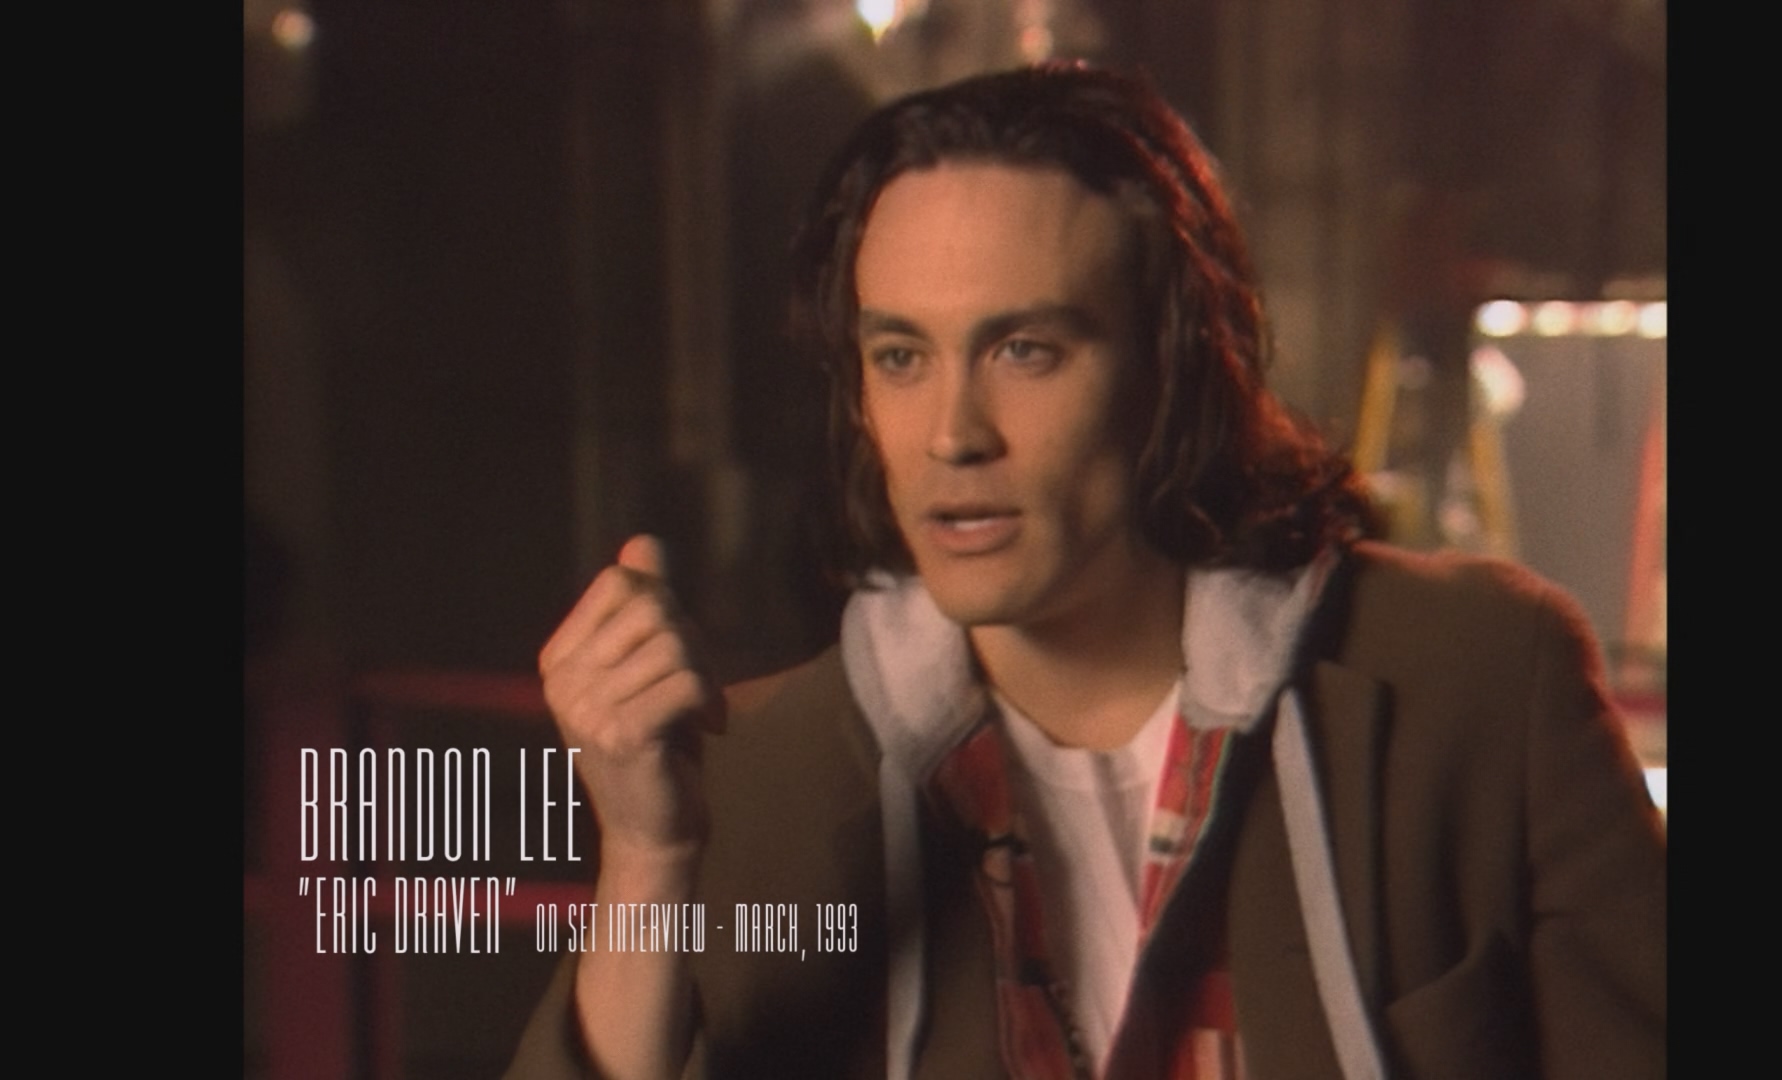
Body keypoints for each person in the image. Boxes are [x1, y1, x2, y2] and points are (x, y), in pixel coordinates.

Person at [509, 63, 1665, 1080]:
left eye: (1025, 350)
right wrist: (649, 857)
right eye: (901, 356)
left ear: (1173, 364)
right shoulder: (759, 776)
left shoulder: (1480, 686)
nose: (953, 434)